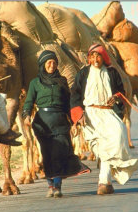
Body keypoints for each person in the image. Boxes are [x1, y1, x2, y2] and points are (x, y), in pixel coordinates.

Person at [70, 43, 138, 195]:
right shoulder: (83, 74)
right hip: (90, 114)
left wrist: (116, 97)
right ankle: (105, 182)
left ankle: (104, 182)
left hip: (108, 113)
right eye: (93, 56)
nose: (96, 59)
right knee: (102, 148)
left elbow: (121, 91)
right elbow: (75, 96)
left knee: (119, 133)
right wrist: (78, 115)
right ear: (89, 58)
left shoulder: (112, 72)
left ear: (104, 58)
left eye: (99, 56)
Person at [22, 50, 91, 198]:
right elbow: (28, 102)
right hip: (42, 123)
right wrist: (27, 115)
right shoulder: (35, 83)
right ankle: (50, 185)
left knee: (59, 153)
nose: (52, 65)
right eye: (49, 63)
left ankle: (58, 185)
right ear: (42, 64)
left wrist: (73, 123)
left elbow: (68, 103)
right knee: (47, 154)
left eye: (54, 62)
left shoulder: (62, 81)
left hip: (60, 121)